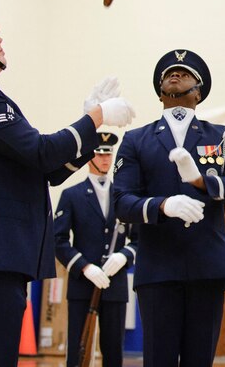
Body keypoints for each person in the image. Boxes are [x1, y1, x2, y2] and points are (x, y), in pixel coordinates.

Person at [0, 0, 135, 367]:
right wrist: (94, 116)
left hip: (0, 255)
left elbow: (48, 170)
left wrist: (88, 126)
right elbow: (41, 152)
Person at [112, 49, 225, 367]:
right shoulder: (136, 139)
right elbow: (121, 202)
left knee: (199, 360)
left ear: (199, 91)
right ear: (160, 90)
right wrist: (163, 205)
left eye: (185, 73)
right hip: (159, 266)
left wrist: (202, 182)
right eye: (168, 74)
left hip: (207, 265)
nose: (174, 75)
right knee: (158, 359)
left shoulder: (223, 137)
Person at [55, 131, 138, 367]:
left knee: (114, 352)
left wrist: (124, 256)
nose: (105, 159)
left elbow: (138, 239)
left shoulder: (124, 196)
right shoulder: (71, 195)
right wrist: (84, 267)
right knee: (78, 350)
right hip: (83, 285)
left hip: (115, 283)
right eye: (100, 154)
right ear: (90, 156)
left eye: (108, 154)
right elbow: (58, 239)